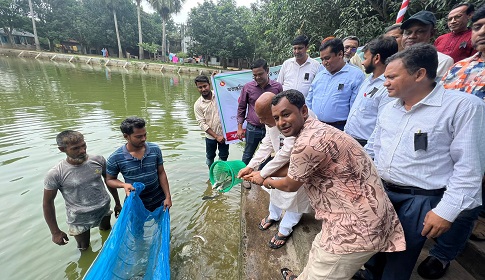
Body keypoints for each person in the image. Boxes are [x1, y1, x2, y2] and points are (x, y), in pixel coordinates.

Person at [361, 43, 485, 280]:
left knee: (401, 256)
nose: (385, 82)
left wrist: (446, 211)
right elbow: (373, 147)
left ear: (419, 74)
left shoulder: (462, 107)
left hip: (419, 199)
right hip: (382, 189)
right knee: (372, 246)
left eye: (392, 77)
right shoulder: (389, 107)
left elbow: (469, 169)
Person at [262, 90, 405, 280]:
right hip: (350, 214)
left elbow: (290, 184)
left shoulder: (307, 143)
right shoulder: (316, 129)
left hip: (354, 227)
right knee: (318, 249)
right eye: (276, 118)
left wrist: (264, 179)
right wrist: (264, 171)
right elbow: (295, 168)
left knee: (325, 270)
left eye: (286, 114)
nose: (281, 122)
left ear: (303, 111)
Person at [416, 7, 485, 278]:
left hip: (479, 150)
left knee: (469, 203)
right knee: (449, 195)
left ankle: (442, 256)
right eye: (478, 26)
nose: (482, 32)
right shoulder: (461, 67)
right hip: (448, 145)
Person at [237, 92, 312, 249]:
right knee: (275, 189)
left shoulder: (299, 121)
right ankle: (274, 215)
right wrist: (251, 166)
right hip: (281, 161)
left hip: (303, 162)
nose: (262, 122)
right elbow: (268, 143)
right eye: (261, 118)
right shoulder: (269, 119)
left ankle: (285, 229)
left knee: (296, 197)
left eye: (265, 118)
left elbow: (288, 150)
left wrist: (263, 173)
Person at [43, 130, 122, 251]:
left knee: (106, 234)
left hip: (103, 208)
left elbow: (109, 181)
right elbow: (47, 203)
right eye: (75, 148)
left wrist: (117, 203)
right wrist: (55, 232)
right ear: (62, 149)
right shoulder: (55, 173)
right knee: (84, 248)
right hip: (79, 217)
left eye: (83, 145)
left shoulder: (98, 160)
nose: (82, 150)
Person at [105, 117, 172, 212]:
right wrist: (123, 185)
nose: (143, 139)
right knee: (136, 226)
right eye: (139, 136)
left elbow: (161, 173)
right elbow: (110, 180)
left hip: (159, 199)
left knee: (161, 224)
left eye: (145, 135)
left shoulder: (155, 150)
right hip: (135, 201)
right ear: (126, 136)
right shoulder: (115, 158)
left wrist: (168, 197)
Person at [344, 36, 398, 146]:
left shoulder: (388, 88)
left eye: (365, 58)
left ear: (376, 58)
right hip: (350, 140)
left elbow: (382, 126)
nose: (362, 63)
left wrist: (368, 152)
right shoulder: (367, 81)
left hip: (366, 145)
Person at [306, 38, 365, 130]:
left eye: (327, 58)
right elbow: (310, 99)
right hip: (316, 126)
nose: (324, 63)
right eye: (322, 59)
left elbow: (355, 108)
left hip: (340, 128)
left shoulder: (356, 75)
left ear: (340, 54)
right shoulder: (320, 74)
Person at [237, 58, 283, 166]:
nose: (257, 77)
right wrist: (239, 128)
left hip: (272, 128)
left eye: (260, 74)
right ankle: (243, 176)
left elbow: (281, 107)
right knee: (248, 154)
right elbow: (241, 107)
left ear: (267, 71)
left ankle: (261, 176)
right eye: (255, 75)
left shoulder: (277, 87)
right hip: (252, 128)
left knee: (267, 155)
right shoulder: (248, 88)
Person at [401, 10, 454, 79]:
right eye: (408, 32)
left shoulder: (442, 61)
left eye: (420, 31)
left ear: (432, 33)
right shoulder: (395, 60)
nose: (412, 36)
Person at [193, 75, 229, 169]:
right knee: (210, 158)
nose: (203, 89)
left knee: (223, 157)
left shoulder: (219, 95)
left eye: (205, 86)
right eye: (200, 87)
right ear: (197, 88)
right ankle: (211, 174)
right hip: (210, 137)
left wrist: (218, 79)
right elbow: (202, 124)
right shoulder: (198, 104)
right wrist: (216, 136)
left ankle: (220, 174)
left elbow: (229, 92)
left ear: (209, 85)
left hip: (224, 135)